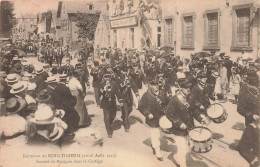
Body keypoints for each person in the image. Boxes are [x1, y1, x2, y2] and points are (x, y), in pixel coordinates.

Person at [165, 78, 196, 167]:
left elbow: (193, 110)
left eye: (189, 88)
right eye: (186, 88)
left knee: (188, 148)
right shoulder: (175, 99)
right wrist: (179, 123)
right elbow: (169, 114)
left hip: (189, 126)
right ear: (181, 88)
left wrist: (200, 117)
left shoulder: (190, 97)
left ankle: (175, 156)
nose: (188, 90)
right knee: (182, 149)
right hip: (179, 129)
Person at [138, 80, 165, 161]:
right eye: (153, 85)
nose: (155, 86)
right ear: (150, 85)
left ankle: (154, 144)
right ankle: (157, 152)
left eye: (157, 84)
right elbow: (141, 106)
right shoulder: (146, 95)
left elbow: (167, 102)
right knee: (155, 134)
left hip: (161, 117)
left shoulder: (162, 93)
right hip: (152, 118)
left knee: (160, 134)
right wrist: (147, 113)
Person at [99, 72, 123, 138]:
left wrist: (120, 100)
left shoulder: (114, 83)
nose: (107, 78)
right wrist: (104, 88)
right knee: (107, 117)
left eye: (108, 76)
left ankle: (109, 123)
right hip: (105, 102)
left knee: (113, 115)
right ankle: (109, 131)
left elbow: (118, 92)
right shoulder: (101, 84)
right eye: (106, 77)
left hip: (112, 102)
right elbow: (99, 92)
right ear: (103, 78)